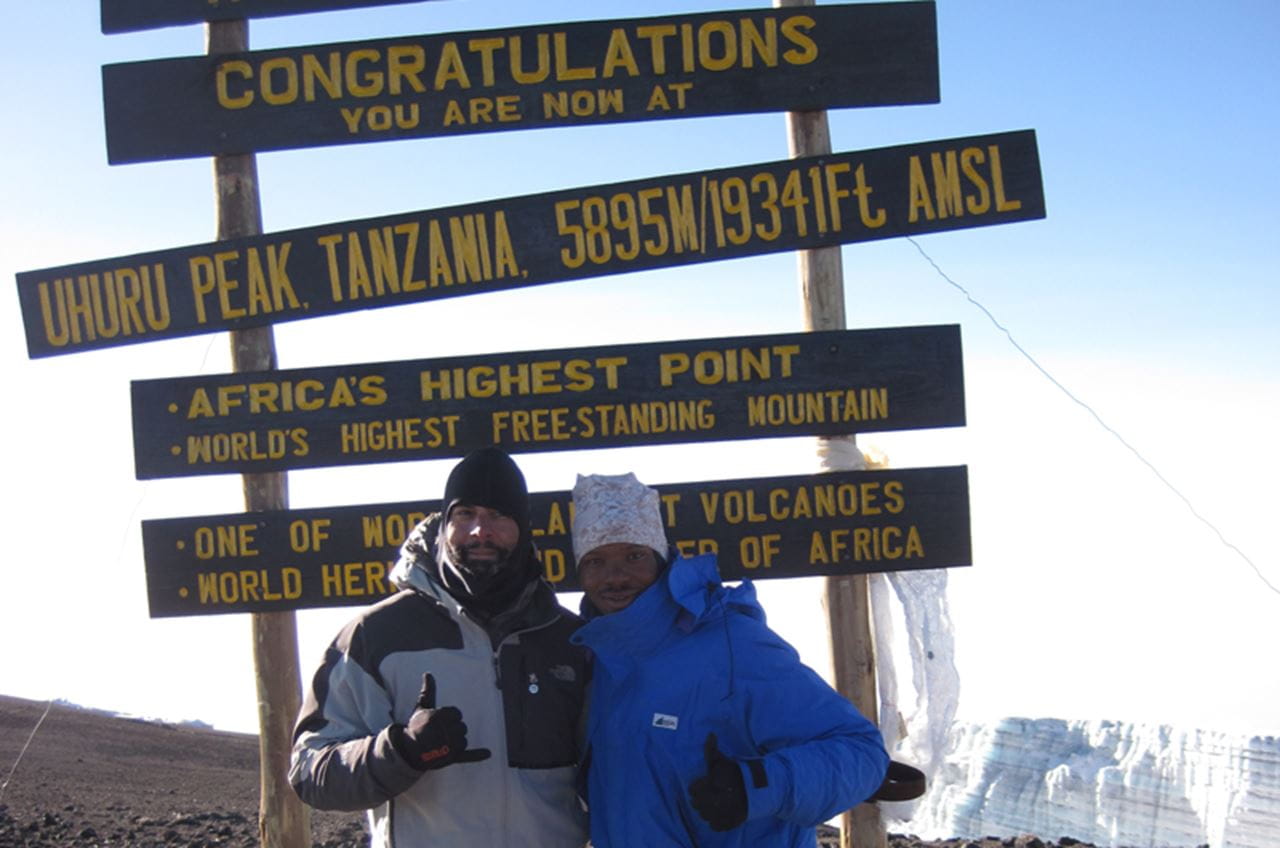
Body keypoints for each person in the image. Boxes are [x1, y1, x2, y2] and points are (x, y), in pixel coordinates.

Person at [568, 472, 890, 847]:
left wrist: (756, 784)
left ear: (661, 558)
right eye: (595, 561)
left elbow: (862, 751)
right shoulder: (595, 661)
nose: (615, 576)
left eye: (634, 556)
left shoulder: (732, 645)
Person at [289, 447, 589, 847]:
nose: (480, 531)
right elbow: (310, 772)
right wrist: (400, 751)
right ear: (444, 523)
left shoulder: (570, 640)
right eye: (465, 514)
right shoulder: (375, 635)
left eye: (498, 515)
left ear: (524, 527)